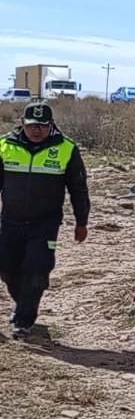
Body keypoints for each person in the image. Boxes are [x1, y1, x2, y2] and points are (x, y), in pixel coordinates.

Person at [0, 102, 90, 340]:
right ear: (22, 125)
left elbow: (78, 188)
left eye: (42, 125)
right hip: (10, 220)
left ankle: (23, 320)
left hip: (45, 222)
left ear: (51, 125)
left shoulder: (66, 148)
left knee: (37, 267)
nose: (37, 130)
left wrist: (82, 221)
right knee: (7, 268)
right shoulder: (4, 146)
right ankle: (24, 302)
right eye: (32, 126)